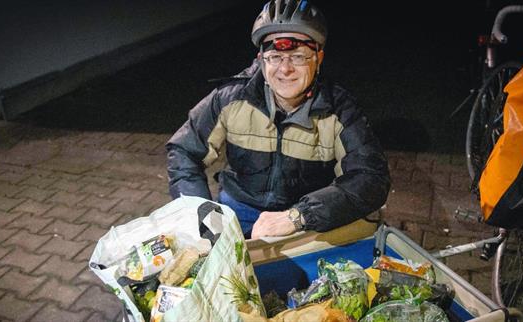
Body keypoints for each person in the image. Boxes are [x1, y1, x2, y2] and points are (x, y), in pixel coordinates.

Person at [166, 0, 390, 239]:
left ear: (318, 58)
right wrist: (205, 215)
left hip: (303, 217)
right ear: (261, 58)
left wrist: (299, 216)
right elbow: (183, 151)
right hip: (238, 208)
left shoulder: (340, 110)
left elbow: (371, 177)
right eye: (274, 57)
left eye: (298, 57)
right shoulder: (229, 99)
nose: (285, 69)